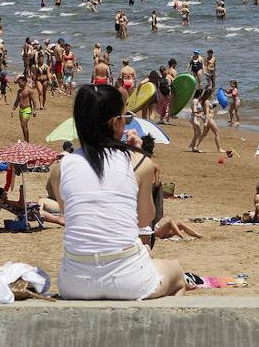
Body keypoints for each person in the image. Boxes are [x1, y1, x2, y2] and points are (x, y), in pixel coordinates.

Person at [45, 83, 185, 300]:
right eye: (124, 117)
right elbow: (144, 220)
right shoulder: (140, 163)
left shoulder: (60, 168)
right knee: (176, 273)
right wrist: (138, 154)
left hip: (75, 280)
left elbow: (68, 215)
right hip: (127, 278)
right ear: (115, 122)